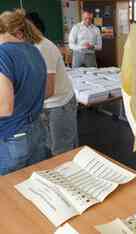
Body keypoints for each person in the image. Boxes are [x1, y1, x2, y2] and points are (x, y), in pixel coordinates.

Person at [0, 9, 48, 175]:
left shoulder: (3, 54)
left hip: (12, 136)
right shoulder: (34, 50)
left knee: (8, 193)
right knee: (35, 184)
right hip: (37, 129)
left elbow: (5, 107)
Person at [25, 12, 78, 156]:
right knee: (50, 145)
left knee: (61, 150)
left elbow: (49, 90)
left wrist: (26, 104)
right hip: (47, 106)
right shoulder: (30, 48)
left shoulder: (43, 47)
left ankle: (69, 177)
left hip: (59, 105)